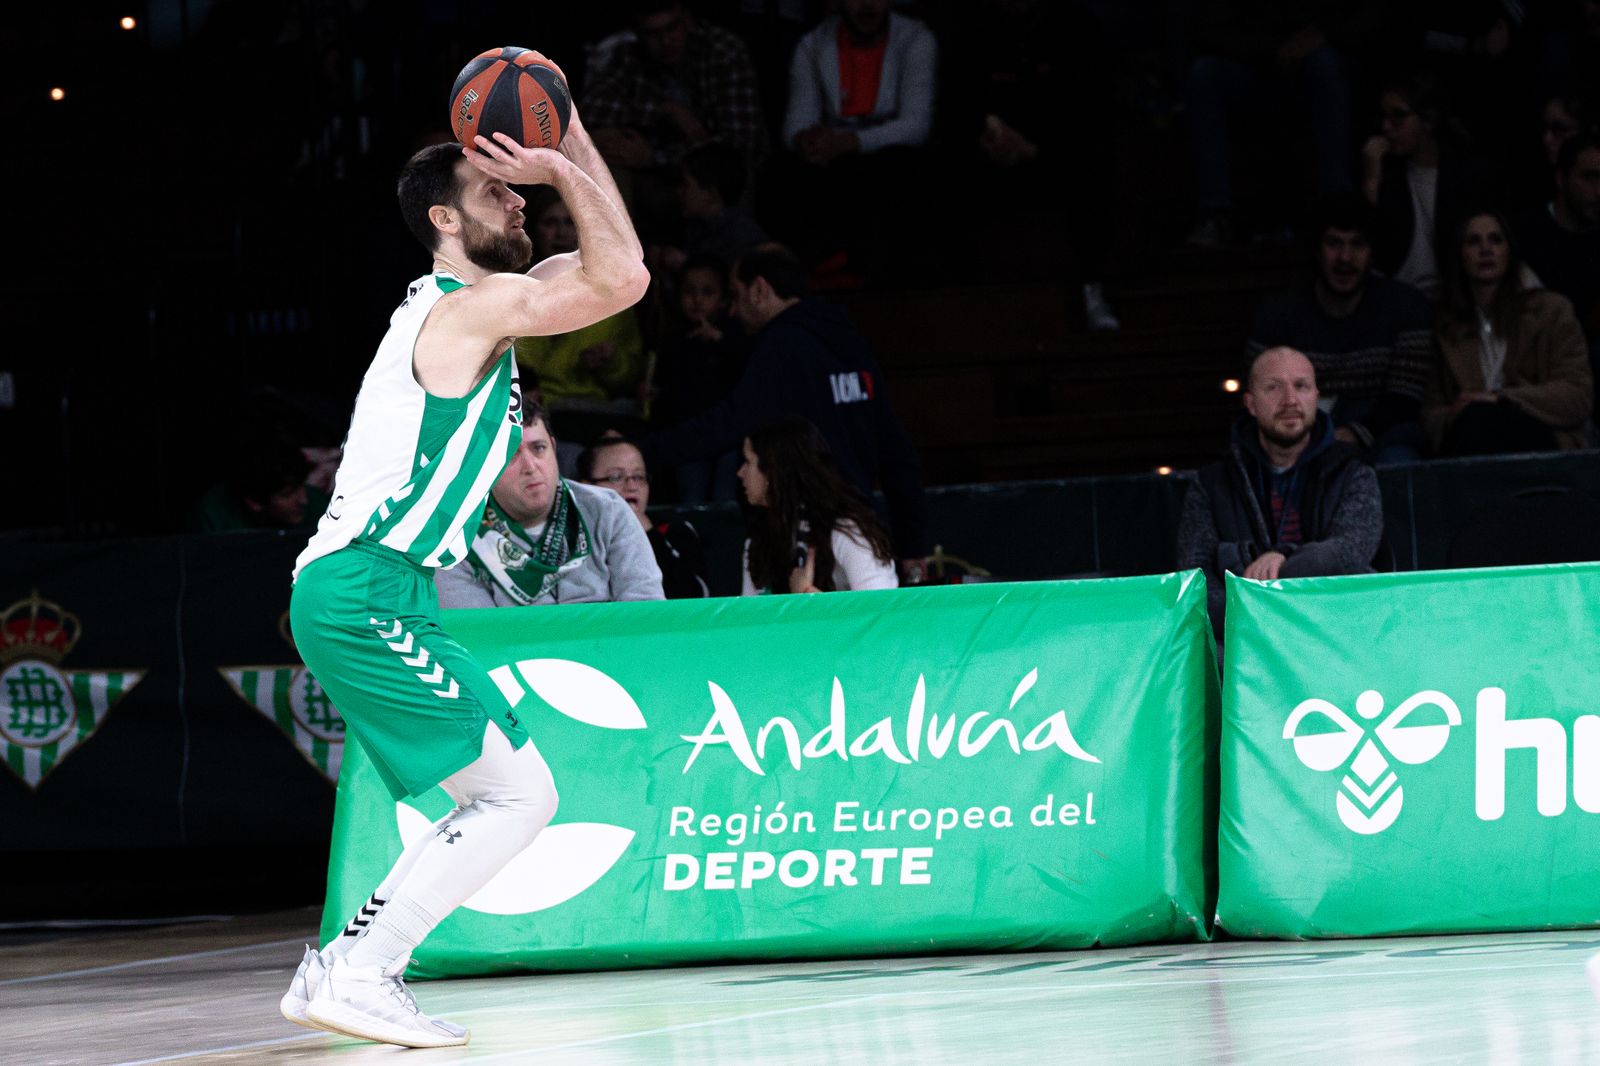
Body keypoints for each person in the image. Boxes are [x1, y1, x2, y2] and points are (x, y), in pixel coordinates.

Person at [281, 66, 648, 1048]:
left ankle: (348, 967)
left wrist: (566, 140)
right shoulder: (462, 311)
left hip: (378, 594)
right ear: (443, 219)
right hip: (361, 591)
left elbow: (620, 269)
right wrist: (562, 147)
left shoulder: (494, 306)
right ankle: (357, 969)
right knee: (518, 795)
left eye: (519, 182)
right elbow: (620, 279)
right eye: (494, 187)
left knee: (513, 794)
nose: (517, 191)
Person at [644, 244, 930, 580]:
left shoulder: (781, 345)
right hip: (858, 522)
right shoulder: (849, 339)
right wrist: (912, 546)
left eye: (736, 295)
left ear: (760, 289)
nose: (732, 311)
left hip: (804, 534)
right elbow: (897, 451)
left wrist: (641, 451)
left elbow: (727, 423)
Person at [1176, 346, 1383, 642]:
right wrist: (1257, 616)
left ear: (1316, 396)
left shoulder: (1354, 472)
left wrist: (1277, 558)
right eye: (1274, 388)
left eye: (1301, 386)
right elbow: (1194, 580)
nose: (1290, 400)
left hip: (1338, 637)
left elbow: (1348, 554)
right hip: (1245, 644)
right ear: (1250, 403)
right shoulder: (1211, 483)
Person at [1248, 193, 1435, 463]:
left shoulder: (1406, 307)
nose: (1345, 257)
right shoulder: (1278, 315)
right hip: (1299, 439)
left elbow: (1404, 400)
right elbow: (1262, 396)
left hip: (1380, 439)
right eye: (1334, 243)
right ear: (1317, 249)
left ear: (1373, 251)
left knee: (1400, 457)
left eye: (1357, 244)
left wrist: (1355, 433)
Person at [435, 403, 664, 606]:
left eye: (539, 448)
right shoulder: (455, 539)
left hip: (610, 651)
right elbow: (480, 639)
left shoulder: (609, 510)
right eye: (511, 453)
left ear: (554, 448)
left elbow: (646, 615)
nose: (531, 466)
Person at [582, 0, 767, 241]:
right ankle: (622, 260)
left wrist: (655, 157)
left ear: (687, 20)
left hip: (715, 174)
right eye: (653, 34)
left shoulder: (722, 52)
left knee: (724, 181)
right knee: (605, 151)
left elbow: (739, 143)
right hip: (658, 175)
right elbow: (591, 110)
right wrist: (665, 111)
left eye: (672, 28)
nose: (665, 41)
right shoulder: (630, 54)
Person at [1423, 211, 1593, 454]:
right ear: (1460, 254)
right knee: (1476, 421)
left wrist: (1500, 398)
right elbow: (1431, 413)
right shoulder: (1444, 326)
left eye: (1495, 239)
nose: (1485, 249)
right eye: (1473, 241)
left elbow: (1577, 394)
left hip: (1539, 438)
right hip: (1470, 441)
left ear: (1509, 251)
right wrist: (1456, 414)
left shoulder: (1551, 312)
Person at [513, 186, 650, 455]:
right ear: (532, 230)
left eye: (569, 223)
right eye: (551, 222)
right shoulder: (513, 290)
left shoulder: (614, 290)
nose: (561, 232)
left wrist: (611, 363)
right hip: (539, 415)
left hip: (597, 415)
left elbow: (632, 378)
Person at [1361, 71, 1495, 301]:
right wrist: (1372, 180)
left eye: (1398, 117)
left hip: (1453, 299)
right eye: (1384, 117)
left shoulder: (1465, 174)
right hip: (1396, 297)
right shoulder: (1387, 173)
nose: (1386, 127)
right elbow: (1373, 248)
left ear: (1429, 121)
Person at [738, 415, 898, 595]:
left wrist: (810, 598)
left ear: (773, 472)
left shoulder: (847, 530)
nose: (740, 472)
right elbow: (752, 614)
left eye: (748, 462)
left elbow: (882, 613)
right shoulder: (760, 536)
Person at [650, 253, 747, 503]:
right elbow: (665, 386)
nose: (697, 300)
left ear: (724, 299)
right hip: (688, 437)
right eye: (689, 291)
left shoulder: (736, 335)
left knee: (724, 498)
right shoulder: (674, 340)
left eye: (707, 292)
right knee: (691, 499)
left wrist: (721, 342)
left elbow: (745, 374)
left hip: (728, 437)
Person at [1517, 133, 1600, 394]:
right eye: (1589, 177)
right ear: (1561, 179)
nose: (1599, 190)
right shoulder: (1525, 235)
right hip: (1539, 363)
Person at [579, 435, 711, 599]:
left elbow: (695, 599)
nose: (632, 486)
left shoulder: (675, 529)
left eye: (639, 477)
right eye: (616, 477)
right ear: (585, 487)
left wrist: (649, 535)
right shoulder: (568, 536)